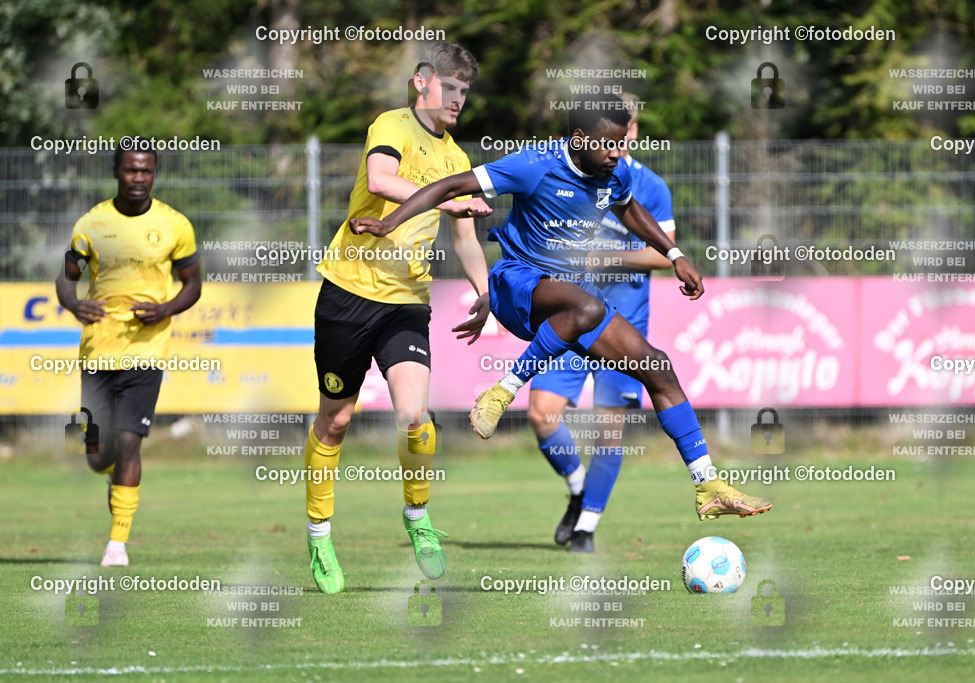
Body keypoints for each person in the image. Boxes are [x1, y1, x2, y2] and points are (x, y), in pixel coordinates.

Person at [351, 92, 771, 533]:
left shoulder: (615, 172)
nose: (617, 152)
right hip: (518, 284)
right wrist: (389, 222)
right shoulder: (534, 164)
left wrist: (674, 254)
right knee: (585, 306)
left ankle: (708, 487)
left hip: (573, 301)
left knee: (657, 368)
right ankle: (502, 390)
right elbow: (451, 186)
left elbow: (629, 208)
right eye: (608, 143)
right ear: (578, 137)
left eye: (622, 141)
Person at [304, 42, 492, 593]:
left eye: (465, 91)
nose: (458, 99)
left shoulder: (458, 161)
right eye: (450, 87)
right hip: (346, 293)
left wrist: (484, 292)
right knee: (335, 422)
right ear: (421, 82)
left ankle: (417, 519)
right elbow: (383, 179)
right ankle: (319, 535)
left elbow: (466, 238)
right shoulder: (391, 125)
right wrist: (446, 200)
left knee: (415, 416)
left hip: (406, 304)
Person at [527, 94, 677, 553]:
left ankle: (587, 529)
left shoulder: (648, 185)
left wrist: (606, 256)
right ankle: (577, 489)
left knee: (609, 431)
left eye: (624, 126)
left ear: (632, 129)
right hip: (573, 316)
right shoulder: (568, 172)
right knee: (540, 413)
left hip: (625, 321)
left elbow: (663, 253)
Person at [55, 144, 202, 567]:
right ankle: (107, 467)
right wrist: (73, 303)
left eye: (147, 171)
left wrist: (166, 309)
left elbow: (192, 285)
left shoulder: (175, 225)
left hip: (146, 353)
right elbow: (66, 279)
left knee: (129, 443)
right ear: (116, 172)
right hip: (98, 353)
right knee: (98, 455)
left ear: (155, 173)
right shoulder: (92, 224)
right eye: (131, 171)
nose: (139, 178)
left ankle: (116, 545)